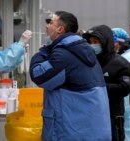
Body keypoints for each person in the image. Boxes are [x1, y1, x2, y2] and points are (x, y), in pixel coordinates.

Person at [29, 11, 111, 141]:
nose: (47, 26)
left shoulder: (64, 54)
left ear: (60, 29)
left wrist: (43, 51)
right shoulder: (82, 50)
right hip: (91, 131)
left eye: (50, 23)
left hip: (71, 133)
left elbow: (39, 76)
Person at [83, 25, 130, 141]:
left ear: (106, 42)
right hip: (90, 117)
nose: (92, 45)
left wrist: (99, 87)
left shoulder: (120, 63)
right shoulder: (88, 62)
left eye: (96, 42)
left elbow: (125, 88)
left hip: (112, 117)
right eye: (90, 42)